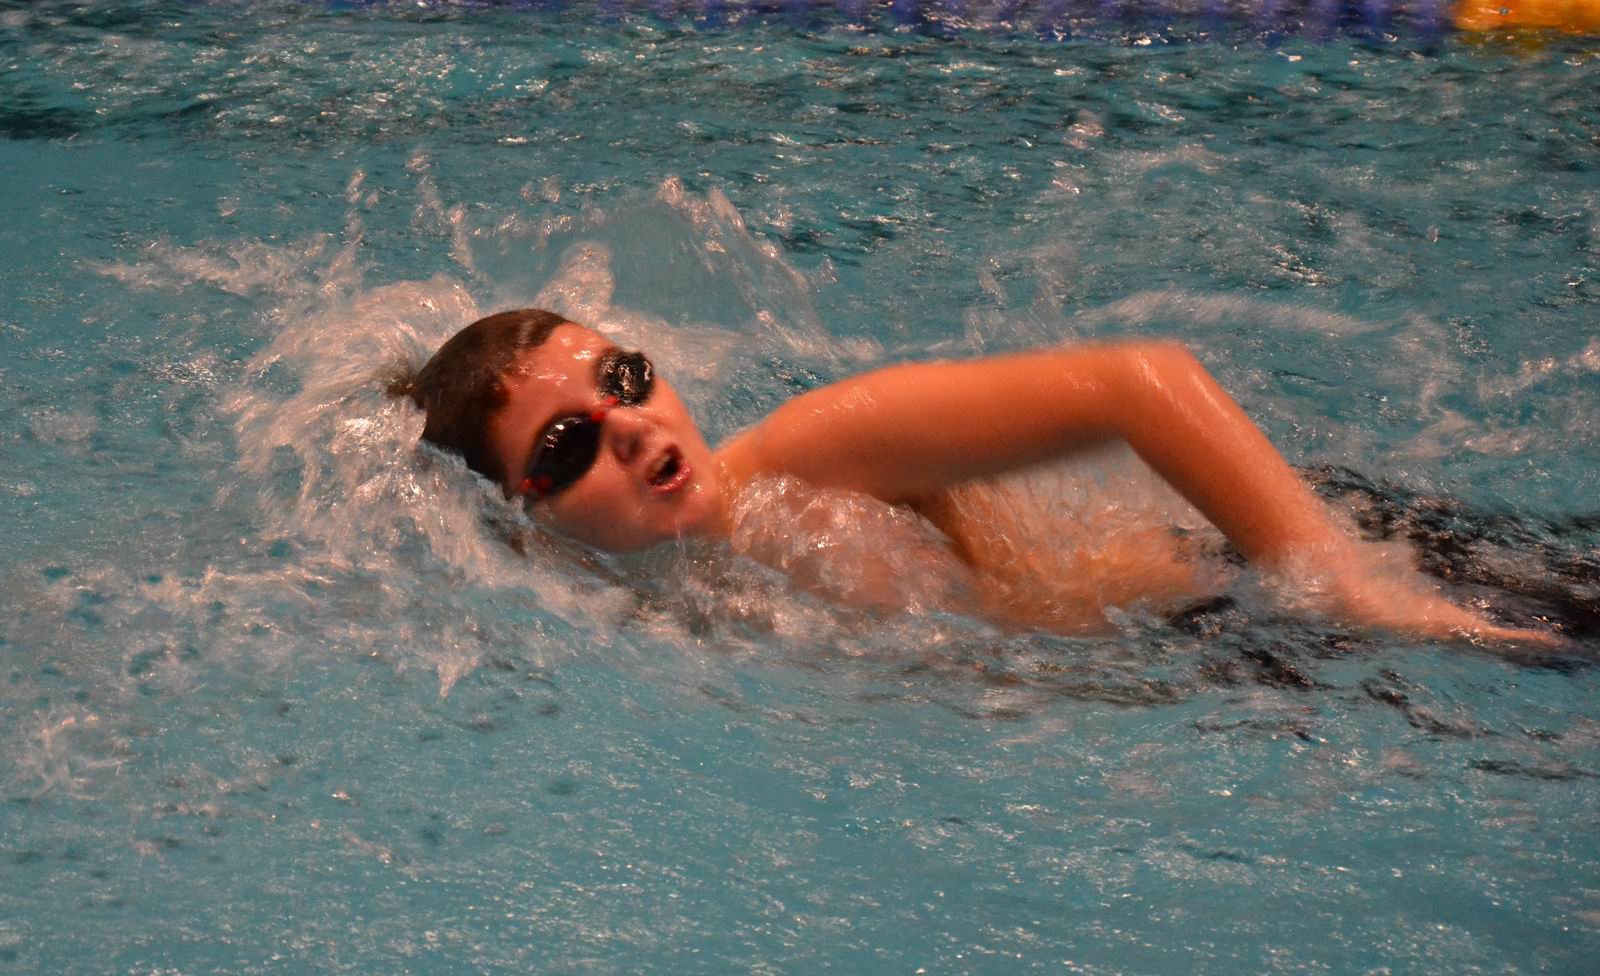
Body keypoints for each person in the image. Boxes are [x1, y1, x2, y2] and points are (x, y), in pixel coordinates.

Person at [392, 307, 1554, 643]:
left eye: (628, 379)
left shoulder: (805, 456)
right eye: (566, 444)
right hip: (1221, 666)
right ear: (521, 518)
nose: (632, 427)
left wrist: (1346, 585)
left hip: (1267, 597)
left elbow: (1137, 381)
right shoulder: (633, 606)